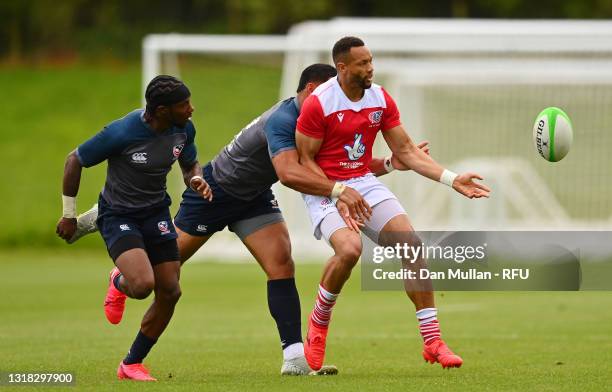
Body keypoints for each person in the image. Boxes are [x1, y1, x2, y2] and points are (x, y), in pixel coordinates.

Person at [67, 64, 429, 375]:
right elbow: (295, 174)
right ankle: (119, 278)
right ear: (311, 89)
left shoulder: (314, 120)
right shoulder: (286, 120)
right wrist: (350, 185)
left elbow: (339, 168)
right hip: (214, 193)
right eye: (330, 88)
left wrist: (387, 164)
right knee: (165, 270)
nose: (335, 95)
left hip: (253, 198)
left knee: (281, 263)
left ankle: (294, 357)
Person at [295, 37, 491, 371]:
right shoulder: (320, 103)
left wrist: (451, 178)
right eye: (362, 63)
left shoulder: (379, 97)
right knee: (349, 250)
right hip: (324, 187)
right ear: (342, 68)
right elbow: (305, 160)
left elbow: (407, 151)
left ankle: (433, 341)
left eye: (371, 61)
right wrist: (337, 192)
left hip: (363, 183)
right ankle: (318, 324)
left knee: (412, 246)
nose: (370, 68)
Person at [56, 75, 212, 381]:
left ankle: (131, 363)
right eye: (184, 104)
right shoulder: (123, 131)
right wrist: (69, 215)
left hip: (156, 212)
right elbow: (74, 159)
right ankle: (119, 281)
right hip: (117, 213)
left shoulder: (183, 128)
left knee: (170, 290)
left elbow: (190, 163)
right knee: (142, 285)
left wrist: (195, 177)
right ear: (163, 110)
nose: (191, 109)